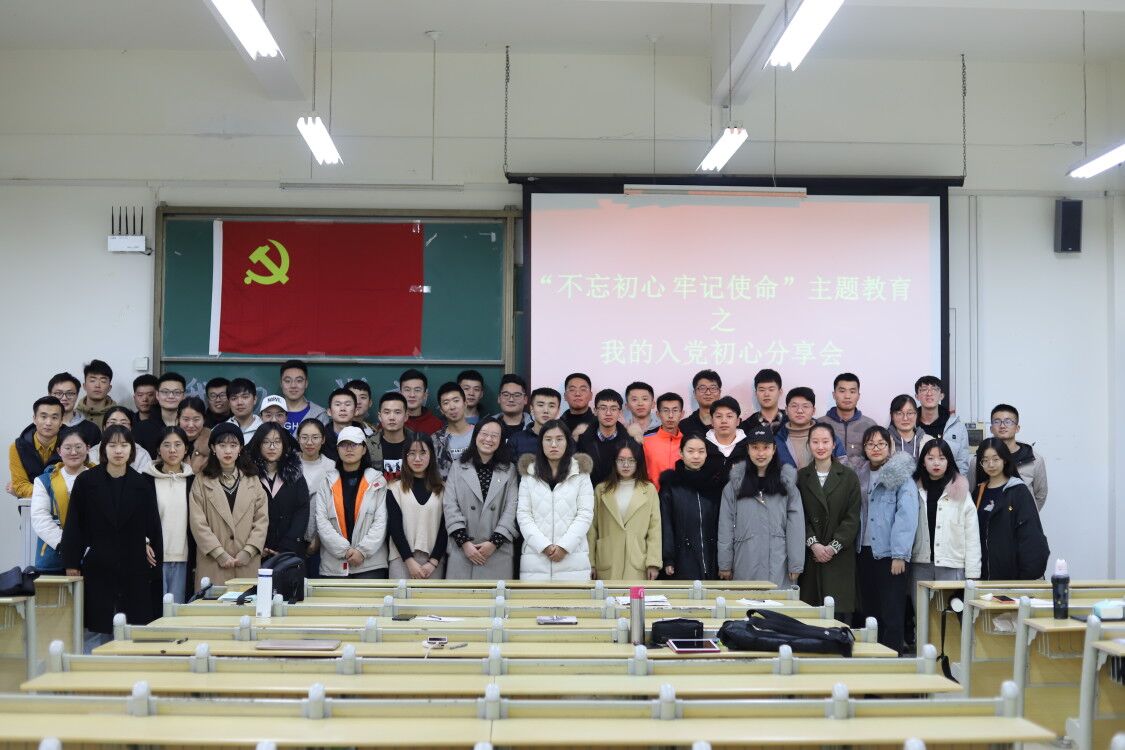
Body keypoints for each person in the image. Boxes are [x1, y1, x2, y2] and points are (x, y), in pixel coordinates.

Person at [62, 425, 163, 652]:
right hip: (98, 564)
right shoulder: (86, 481)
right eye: (113, 445)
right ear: (103, 449)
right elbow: (74, 526)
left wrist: (150, 550)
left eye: (124, 445)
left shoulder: (142, 484)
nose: (119, 451)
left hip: (133, 565)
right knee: (97, 626)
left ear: (132, 450)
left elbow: (153, 526)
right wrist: (71, 563)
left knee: (133, 627)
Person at [850, 425, 918, 654]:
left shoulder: (901, 477)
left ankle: (891, 659)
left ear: (890, 447)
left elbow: (906, 517)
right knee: (869, 611)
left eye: (881, 444)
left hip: (890, 555)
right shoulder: (859, 475)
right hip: (863, 551)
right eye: (870, 444)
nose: (876, 448)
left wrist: (899, 555)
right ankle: (873, 658)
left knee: (892, 612)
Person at [717, 425, 804, 588]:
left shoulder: (787, 484)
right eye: (755, 447)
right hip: (745, 560)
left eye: (766, 447)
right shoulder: (735, 486)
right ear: (748, 449)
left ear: (774, 449)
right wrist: (725, 563)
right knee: (746, 602)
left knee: (777, 602)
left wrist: (796, 563)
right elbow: (725, 527)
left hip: (779, 562)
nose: (761, 453)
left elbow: (796, 526)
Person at [188, 422, 269, 588]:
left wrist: (249, 550)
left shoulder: (253, 480)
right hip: (213, 563)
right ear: (213, 448)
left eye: (233, 445)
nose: (228, 451)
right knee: (213, 603)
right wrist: (219, 553)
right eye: (222, 445)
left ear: (240, 448)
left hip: (246, 562)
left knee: (247, 602)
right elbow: (198, 523)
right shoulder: (201, 481)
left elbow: (261, 520)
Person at [796, 422, 861, 621]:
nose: (820, 446)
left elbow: (852, 518)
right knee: (810, 618)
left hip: (839, 558)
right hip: (811, 557)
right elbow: (798, 516)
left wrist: (832, 547)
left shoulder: (849, 476)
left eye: (825, 441)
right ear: (809, 445)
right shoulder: (801, 477)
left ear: (834, 444)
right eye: (815, 442)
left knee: (837, 618)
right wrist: (814, 544)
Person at [516, 421, 595, 581]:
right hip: (535, 560)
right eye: (548, 439)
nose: (553, 444)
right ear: (541, 442)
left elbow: (585, 514)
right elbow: (523, 515)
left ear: (567, 442)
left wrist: (564, 547)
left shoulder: (581, 473)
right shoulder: (529, 474)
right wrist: (543, 546)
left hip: (573, 560)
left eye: (559, 439)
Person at [444, 417, 520, 580]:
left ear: (501, 440)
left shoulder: (509, 470)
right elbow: (450, 506)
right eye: (484, 434)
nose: (488, 439)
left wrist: (493, 543)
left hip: (497, 553)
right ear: (475, 435)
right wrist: (465, 543)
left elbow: (512, 509)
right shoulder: (458, 466)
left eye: (494, 436)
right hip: (462, 551)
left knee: (494, 596)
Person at [315, 426, 390, 578]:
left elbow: (381, 521)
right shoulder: (327, 482)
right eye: (344, 444)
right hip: (333, 565)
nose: (349, 449)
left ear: (364, 449)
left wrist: (362, 551)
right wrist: (345, 550)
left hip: (370, 565)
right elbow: (321, 522)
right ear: (337, 449)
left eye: (354, 444)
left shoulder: (377, 481)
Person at [972, 438, 1049, 580]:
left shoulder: (1019, 491)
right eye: (985, 460)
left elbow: (1030, 536)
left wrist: (1026, 576)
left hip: (1013, 578)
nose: (991, 464)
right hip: (982, 576)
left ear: (1005, 460)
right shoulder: (978, 493)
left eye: (996, 459)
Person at [588, 440, 661, 580]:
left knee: (634, 595)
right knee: (608, 594)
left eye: (631, 460)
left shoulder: (649, 490)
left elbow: (655, 529)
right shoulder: (601, 490)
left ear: (638, 462)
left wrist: (653, 562)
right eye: (621, 460)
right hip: (607, 560)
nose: (626, 465)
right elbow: (592, 529)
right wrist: (590, 563)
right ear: (614, 462)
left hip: (637, 560)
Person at [912, 439, 980, 585]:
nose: (936, 463)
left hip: (952, 564)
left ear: (948, 461)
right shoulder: (913, 489)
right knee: (919, 601)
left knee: (951, 601)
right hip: (920, 563)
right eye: (930, 458)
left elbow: (972, 535)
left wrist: (973, 573)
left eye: (942, 458)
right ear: (923, 462)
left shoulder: (961, 491)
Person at [659, 434, 727, 580]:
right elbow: (666, 524)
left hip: (712, 558)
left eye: (701, 451)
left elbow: (722, 525)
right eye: (690, 451)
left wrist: (725, 560)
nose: (696, 456)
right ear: (681, 453)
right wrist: (668, 558)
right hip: (682, 559)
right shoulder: (671, 485)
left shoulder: (715, 484)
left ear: (706, 454)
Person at [30, 428, 92, 575]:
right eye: (68, 448)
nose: (73, 452)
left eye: (78, 447)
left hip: (92, 556)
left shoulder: (99, 479)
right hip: (53, 556)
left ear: (88, 448)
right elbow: (40, 518)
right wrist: (67, 547)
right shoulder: (43, 481)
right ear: (59, 451)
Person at [144, 426, 195, 603]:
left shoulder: (193, 481)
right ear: (158, 449)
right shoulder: (146, 480)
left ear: (186, 449)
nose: (172, 450)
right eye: (166, 445)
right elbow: (137, 517)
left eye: (178, 445)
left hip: (184, 557)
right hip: (154, 557)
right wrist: (144, 542)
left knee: (179, 610)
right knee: (156, 611)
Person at [386, 433, 447, 579]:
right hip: (401, 559)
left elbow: (445, 529)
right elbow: (395, 528)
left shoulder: (443, 489)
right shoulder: (394, 487)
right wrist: (409, 561)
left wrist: (433, 562)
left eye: (423, 453)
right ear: (405, 456)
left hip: (433, 561)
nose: (417, 459)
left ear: (431, 455)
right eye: (412, 453)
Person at [968, 404, 1048, 511]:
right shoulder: (978, 461)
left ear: (1017, 428)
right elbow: (971, 492)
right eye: (997, 421)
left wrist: (1027, 514)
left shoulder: (1034, 459)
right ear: (991, 428)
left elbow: (1040, 494)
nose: (1002, 426)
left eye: (1008, 421)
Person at [248, 422, 310, 560]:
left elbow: (302, 510)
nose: (272, 447)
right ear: (258, 444)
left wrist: (287, 546)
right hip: (255, 551)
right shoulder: (248, 475)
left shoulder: (295, 475)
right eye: (266, 442)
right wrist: (256, 545)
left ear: (284, 445)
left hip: (290, 551)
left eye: (277, 442)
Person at [8, 396, 64, 498]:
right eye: (43, 417)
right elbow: (20, 485)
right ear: (34, 419)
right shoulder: (17, 447)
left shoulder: (70, 444)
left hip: (63, 505)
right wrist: (56, 492)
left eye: (54, 418)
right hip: (30, 505)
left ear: (61, 421)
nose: (48, 423)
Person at [296, 417, 334, 566]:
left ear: (323, 440)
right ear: (298, 439)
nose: (309, 442)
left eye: (315, 437)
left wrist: (318, 538)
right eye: (304, 437)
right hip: (292, 539)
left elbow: (333, 507)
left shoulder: (332, 468)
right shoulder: (289, 465)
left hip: (322, 540)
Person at [775, 387, 844, 468]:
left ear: (813, 410)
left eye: (805, 406)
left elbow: (844, 469)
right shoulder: (777, 439)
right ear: (786, 410)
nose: (800, 411)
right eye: (794, 406)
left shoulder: (829, 436)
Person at [915, 376, 970, 475]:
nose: (929, 393)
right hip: (917, 482)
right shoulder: (910, 425)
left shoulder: (957, 427)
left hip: (949, 482)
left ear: (941, 396)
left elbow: (962, 464)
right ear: (917, 396)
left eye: (934, 389)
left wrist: (957, 483)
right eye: (924, 389)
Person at [575, 389, 630, 486]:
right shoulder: (582, 441)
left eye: (613, 409)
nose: (608, 413)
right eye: (603, 408)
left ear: (620, 412)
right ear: (595, 411)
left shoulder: (630, 441)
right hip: (590, 493)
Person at [819, 373, 877, 460]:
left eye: (852, 392)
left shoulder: (870, 425)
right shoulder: (820, 424)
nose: (847, 396)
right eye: (842, 391)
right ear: (834, 395)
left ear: (858, 396)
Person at [133, 372, 186, 457]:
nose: (171, 396)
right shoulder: (141, 429)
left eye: (177, 392)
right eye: (165, 392)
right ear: (157, 395)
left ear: (183, 396)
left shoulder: (190, 426)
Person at [87, 405, 153, 472]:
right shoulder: (92, 453)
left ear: (131, 427)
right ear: (104, 427)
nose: (118, 426)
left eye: (123, 423)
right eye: (112, 422)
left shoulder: (142, 454)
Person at [47, 372, 101, 448]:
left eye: (70, 393)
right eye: (58, 393)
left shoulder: (92, 429)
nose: (64, 398)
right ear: (49, 395)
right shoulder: (43, 427)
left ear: (77, 395)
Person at [433, 382, 475, 478]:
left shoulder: (481, 434)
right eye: (446, 403)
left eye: (456, 401)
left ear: (465, 404)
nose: (452, 407)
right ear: (441, 410)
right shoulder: (435, 440)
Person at [643, 392, 684, 490]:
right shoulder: (645, 441)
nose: (670, 415)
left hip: (682, 495)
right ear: (658, 414)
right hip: (652, 495)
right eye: (665, 410)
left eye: (675, 410)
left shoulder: (688, 442)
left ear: (682, 414)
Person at [508, 386, 561, 460]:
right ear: (532, 409)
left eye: (551, 406)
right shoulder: (516, 440)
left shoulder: (567, 440)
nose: (546, 410)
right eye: (540, 405)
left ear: (558, 411)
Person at [278, 359, 326, 436]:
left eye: (299, 381)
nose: (293, 385)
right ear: (281, 383)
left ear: (306, 383)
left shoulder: (319, 415)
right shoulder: (269, 414)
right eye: (287, 381)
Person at [376, 392, 411, 480]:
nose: (392, 417)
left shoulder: (418, 443)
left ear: (406, 416)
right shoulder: (369, 445)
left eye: (397, 412)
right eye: (387, 412)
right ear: (380, 416)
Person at [887, 394, 932, 459]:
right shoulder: (883, 440)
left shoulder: (929, 441)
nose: (905, 418)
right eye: (899, 413)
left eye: (910, 413)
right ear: (892, 416)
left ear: (916, 415)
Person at [679, 369, 722, 436]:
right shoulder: (684, 426)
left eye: (713, 388)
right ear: (694, 393)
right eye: (702, 388)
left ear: (719, 393)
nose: (708, 393)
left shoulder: (731, 422)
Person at [705, 396, 748, 463]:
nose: (724, 421)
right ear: (712, 421)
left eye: (729, 416)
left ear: (738, 421)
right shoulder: (702, 446)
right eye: (719, 416)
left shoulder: (749, 445)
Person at [400, 368, 444, 435]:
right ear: (400, 394)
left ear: (425, 395)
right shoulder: (391, 421)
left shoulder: (437, 425)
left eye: (417, 390)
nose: (412, 395)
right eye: (407, 390)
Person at [494, 373, 532, 443]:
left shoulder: (535, 426)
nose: (511, 399)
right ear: (499, 398)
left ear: (525, 399)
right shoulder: (486, 425)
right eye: (506, 395)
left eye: (517, 395)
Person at [176, 396, 211, 474]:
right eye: (186, 419)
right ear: (178, 419)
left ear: (204, 420)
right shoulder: (168, 440)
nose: (191, 425)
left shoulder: (213, 443)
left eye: (196, 419)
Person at [77, 359, 116, 428]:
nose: (97, 385)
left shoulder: (118, 416)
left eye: (103, 381)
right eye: (92, 380)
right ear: (84, 386)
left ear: (109, 388)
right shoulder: (74, 415)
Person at [225, 377, 262, 442]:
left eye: (245, 397)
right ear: (229, 403)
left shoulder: (265, 428)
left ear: (255, 399)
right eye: (234, 398)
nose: (239, 402)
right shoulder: (220, 429)